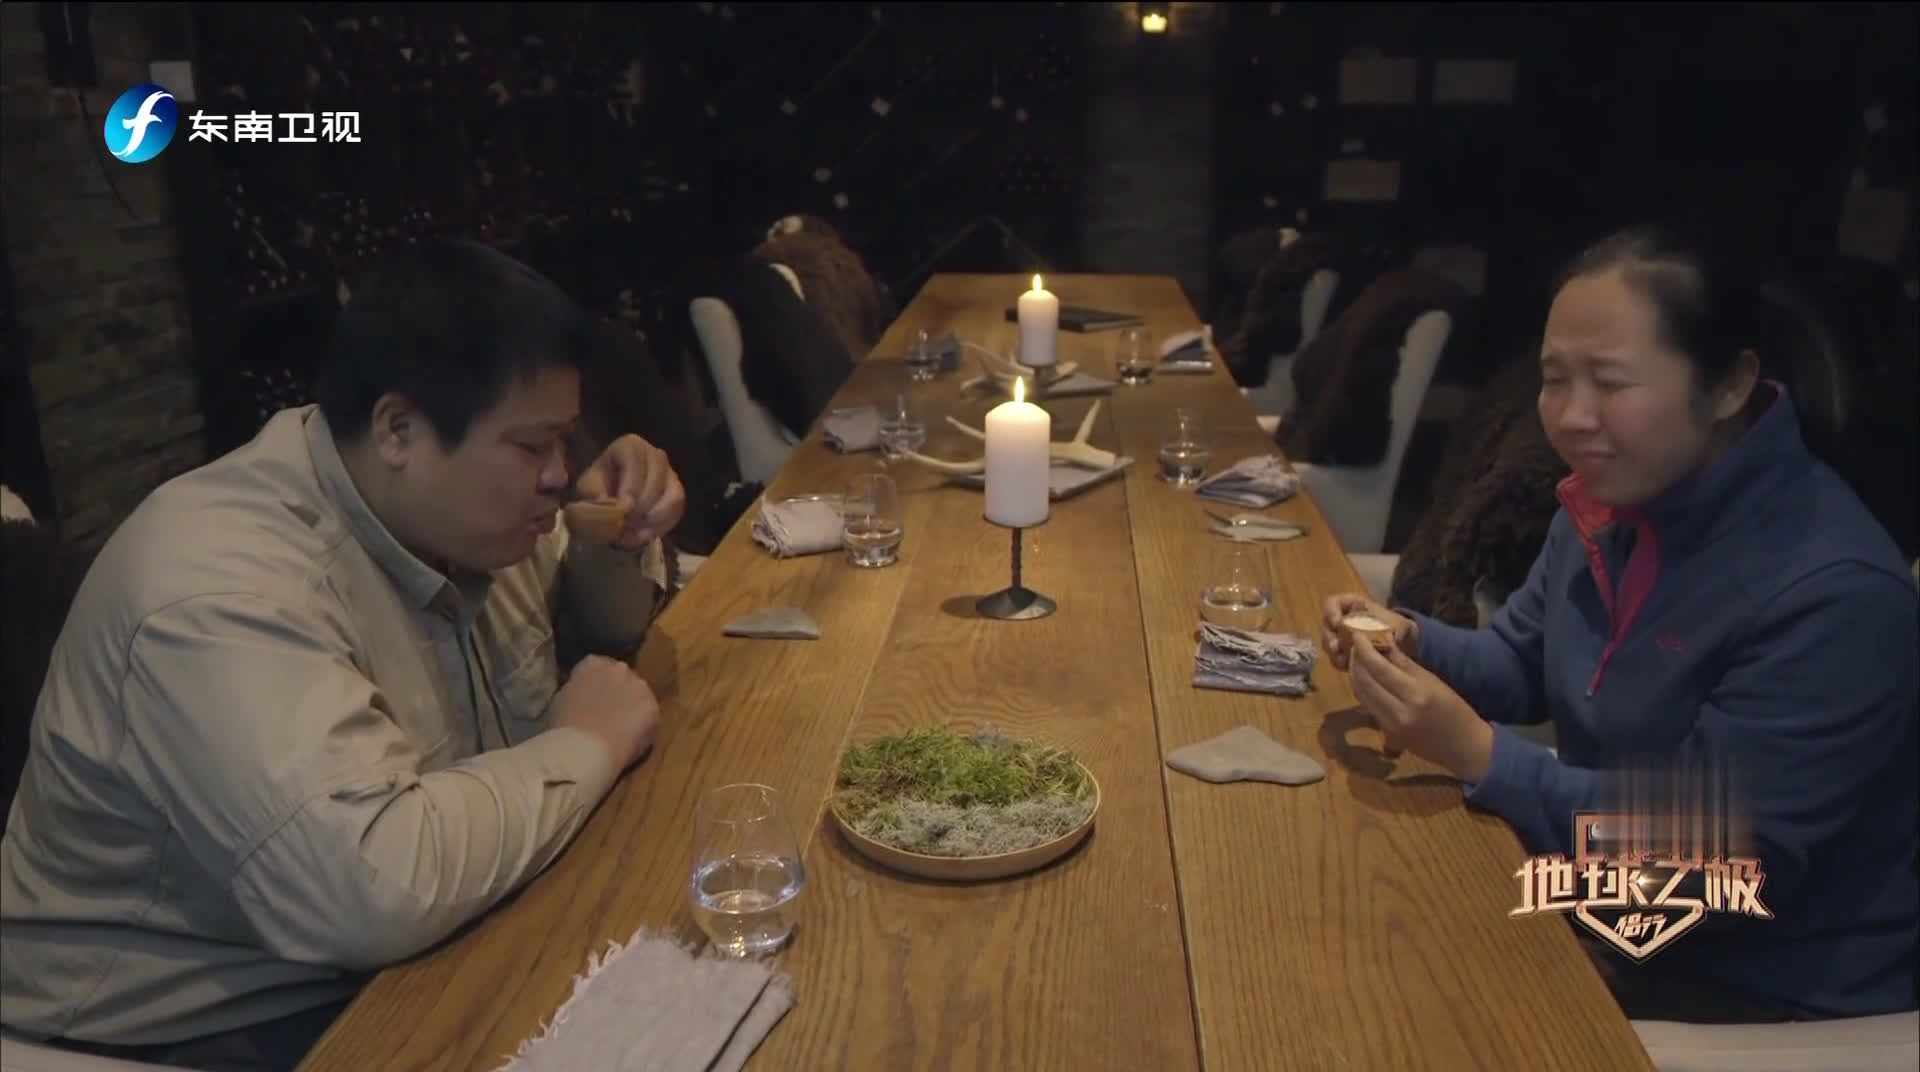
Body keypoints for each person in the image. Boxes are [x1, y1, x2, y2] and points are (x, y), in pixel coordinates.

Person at [1, 239, 683, 1071]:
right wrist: (587, 742)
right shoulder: (218, 586)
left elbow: (606, 638)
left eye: (566, 441)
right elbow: (373, 890)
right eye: (532, 445)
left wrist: (614, 536)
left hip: (395, 948)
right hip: (177, 1022)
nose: (559, 474)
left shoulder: (456, 512)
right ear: (399, 429)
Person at [1321, 224, 1918, 1023]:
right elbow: (1520, 661)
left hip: (1755, 980)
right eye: (1553, 378)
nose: (1570, 417)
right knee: (1335, 913)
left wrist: (1478, 753)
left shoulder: (1834, 589)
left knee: (1387, 995)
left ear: (1730, 386)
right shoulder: (1614, 499)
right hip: (1605, 908)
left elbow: (1722, 872)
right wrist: (1411, 641)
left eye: (1609, 382)